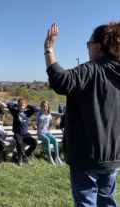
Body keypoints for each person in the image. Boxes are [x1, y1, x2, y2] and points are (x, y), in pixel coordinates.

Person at [44, 22, 120, 206]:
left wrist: (49, 49)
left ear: (97, 46)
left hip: (86, 155)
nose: (87, 48)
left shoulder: (91, 70)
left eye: (88, 43)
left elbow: (60, 80)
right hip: (114, 155)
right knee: (107, 201)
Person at [7, 98, 38, 165]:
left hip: (26, 134)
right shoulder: (15, 112)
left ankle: (25, 155)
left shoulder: (27, 113)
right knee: (19, 142)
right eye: (20, 105)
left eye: (22, 105)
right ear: (18, 106)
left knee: (35, 142)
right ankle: (20, 158)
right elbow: (9, 104)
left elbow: (35, 109)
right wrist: (16, 105)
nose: (21, 107)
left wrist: (27, 105)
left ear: (25, 106)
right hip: (17, 134)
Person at [36, 100, 62, 165]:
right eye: (43, 106)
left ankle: (57, 157)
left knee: (54, 140)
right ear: (41, 107)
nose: (45, 108)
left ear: (48, 107)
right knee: (47, 140)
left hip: (47, 132)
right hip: (40, 133)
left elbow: (50, 124)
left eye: (46, 106)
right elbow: (36, 124)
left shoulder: (49, 115)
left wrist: (50, 126)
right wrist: (36, 126)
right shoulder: (38, 114)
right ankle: (49, 158)